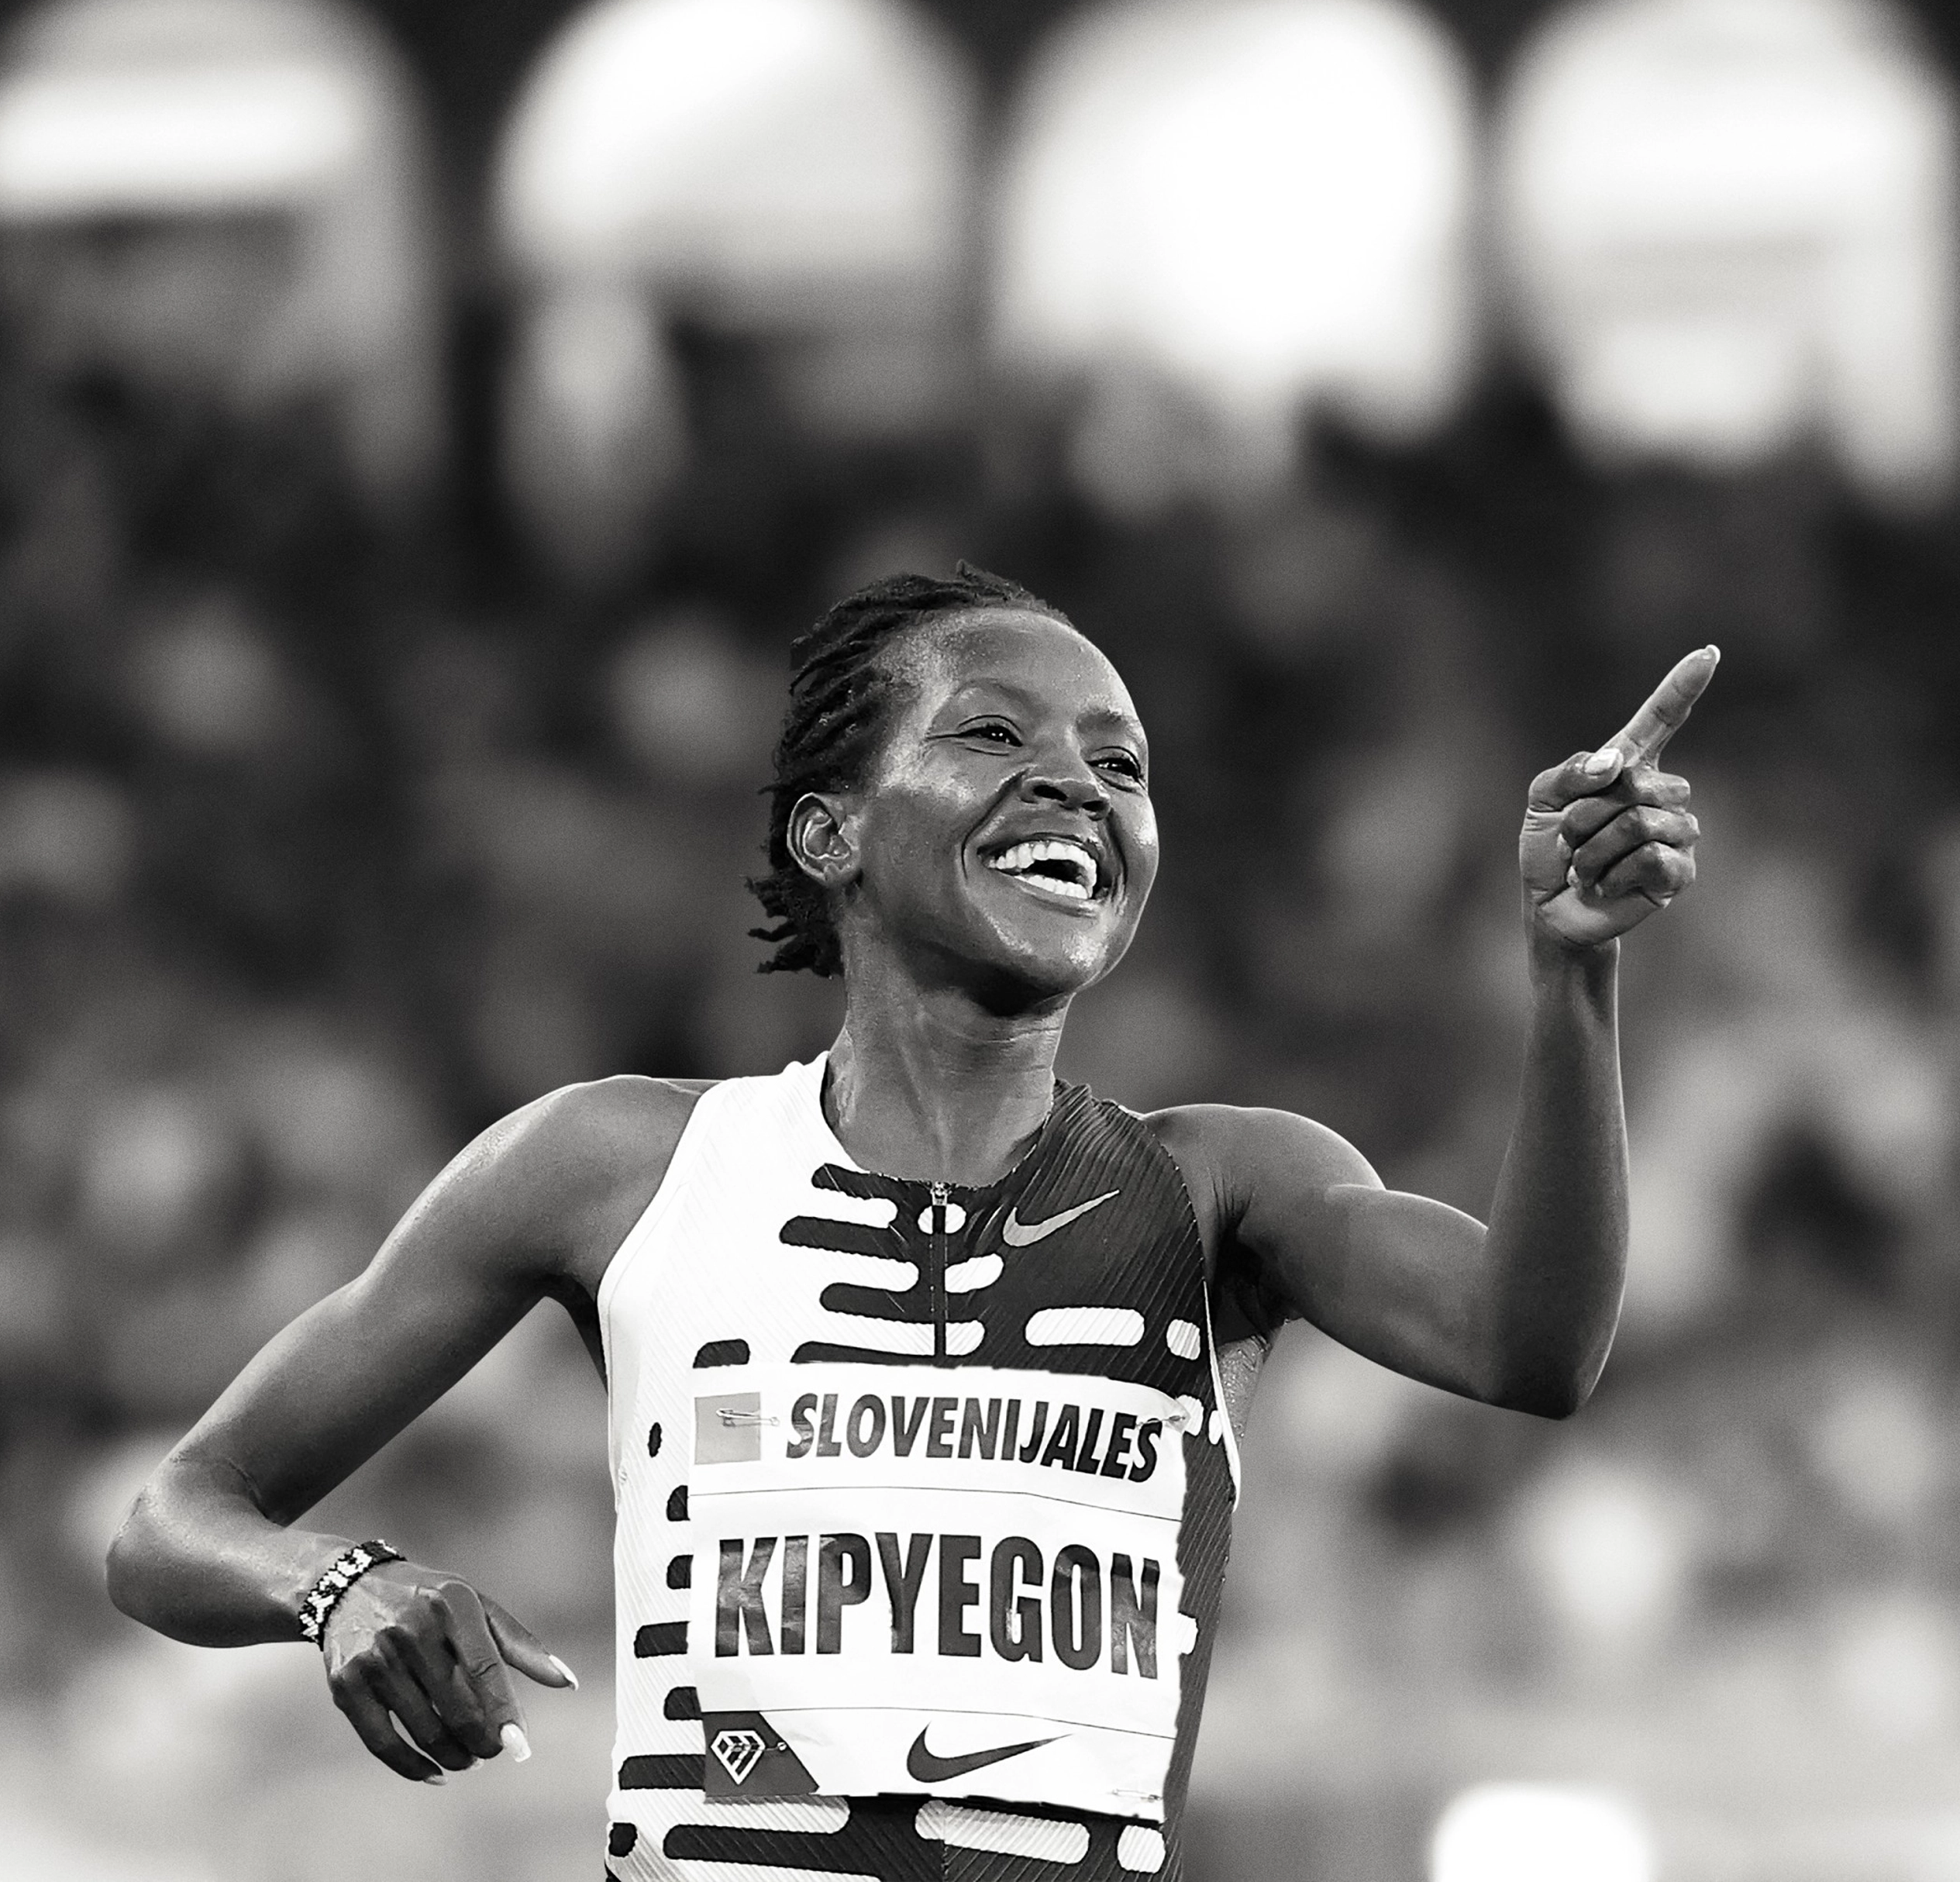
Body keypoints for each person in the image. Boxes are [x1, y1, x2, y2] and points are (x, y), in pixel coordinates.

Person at [108, 567, 1713, 1880]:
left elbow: (1535, 1342)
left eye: (1121, 762)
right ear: (831, 834)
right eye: (994, 732)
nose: (1073, 781)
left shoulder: (1228, 1186)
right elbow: (175, 1518)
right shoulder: (614, 1166)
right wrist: (341, 1584)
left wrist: (1574, 973)